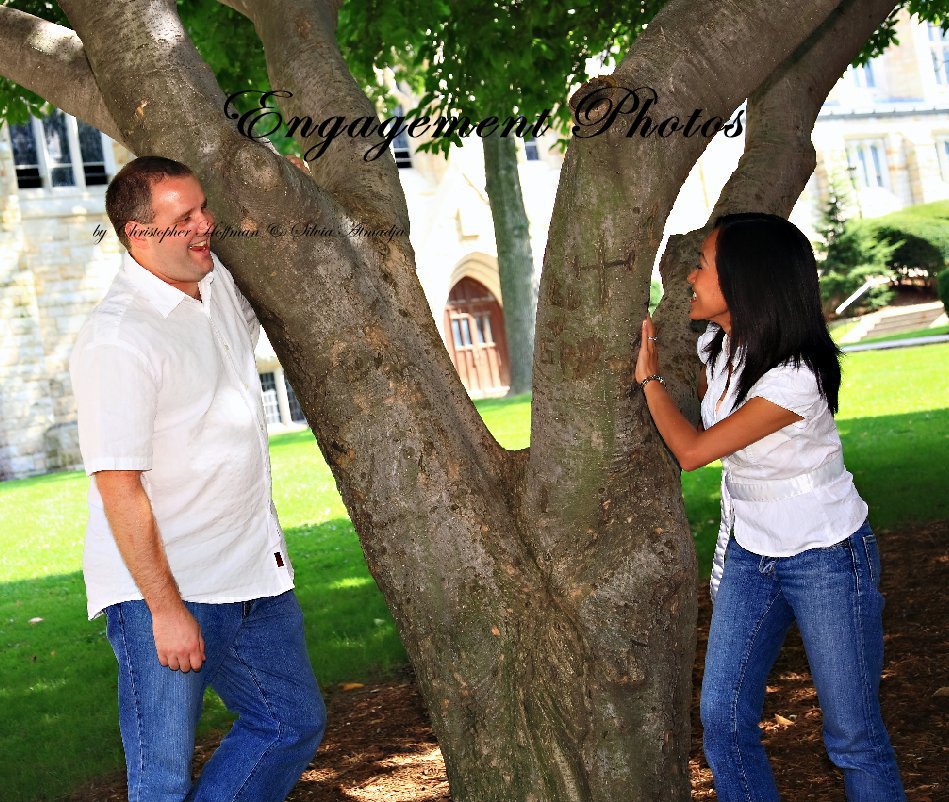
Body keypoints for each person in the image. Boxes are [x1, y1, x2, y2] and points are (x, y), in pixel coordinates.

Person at [69, 156, 325, 802]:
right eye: (183, 219)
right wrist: (164, 608)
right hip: (163, 591)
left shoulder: (217, 289)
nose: (205, 224)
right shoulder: (117, 339)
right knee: (159, 781)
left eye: (202, 208)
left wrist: (290, 189)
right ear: (139, 235)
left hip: (251, 576)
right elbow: (118, 487)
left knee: (289, 723)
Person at [634, 213, 905, 801]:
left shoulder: (795, 379)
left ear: (745, 280)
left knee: (852, 737)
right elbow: (712, 400)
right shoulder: (722, 345)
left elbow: (694, 451)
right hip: (753, 552)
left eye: (702, 266)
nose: (690, 277)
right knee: (724, 722)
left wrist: (650, 379)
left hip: (828, 555)